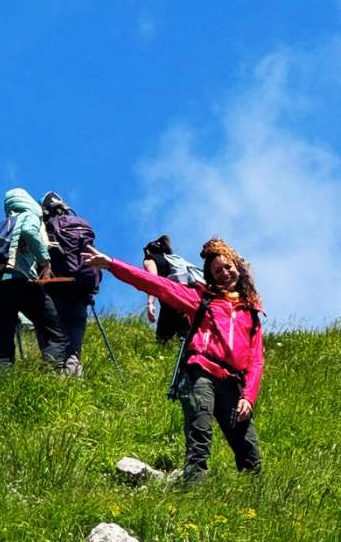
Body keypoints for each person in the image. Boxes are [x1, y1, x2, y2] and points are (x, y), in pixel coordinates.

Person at [84, 238, 264, 488]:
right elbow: (156, 284)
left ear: (238, 266)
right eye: (217, 271)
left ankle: (255, 500)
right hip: (201, 372)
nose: (224, 274)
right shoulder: (201, 300)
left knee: (248, 447)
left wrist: (249, 397)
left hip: (233, 382)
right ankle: (194, 492)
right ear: (209, 277)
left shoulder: (252, 312)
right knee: (200, 434)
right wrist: (112, 264)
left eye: (228, 267)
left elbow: (256, 361)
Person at [0, 188, 69, 377]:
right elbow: (29, 231)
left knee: (3, 353)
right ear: (28, 203)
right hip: (21, 283)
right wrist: (45, 261)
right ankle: (49, 380)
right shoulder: (28, 217)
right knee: (56, 336)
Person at [41, 191, 102, 376]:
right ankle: (75, 385)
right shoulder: (82, 225)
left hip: (56, 292)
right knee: (73, 348)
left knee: (54, 342)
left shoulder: (47, 227)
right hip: (81, 294)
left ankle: (53, 384)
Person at [143, 235, 191, 343]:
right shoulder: (174, 260)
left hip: (169, 299)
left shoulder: (149, 259)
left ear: (147, 251)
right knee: (186, 337)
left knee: (162, 341)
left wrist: (150, 303)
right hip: (186, 297)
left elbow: (153, 280)